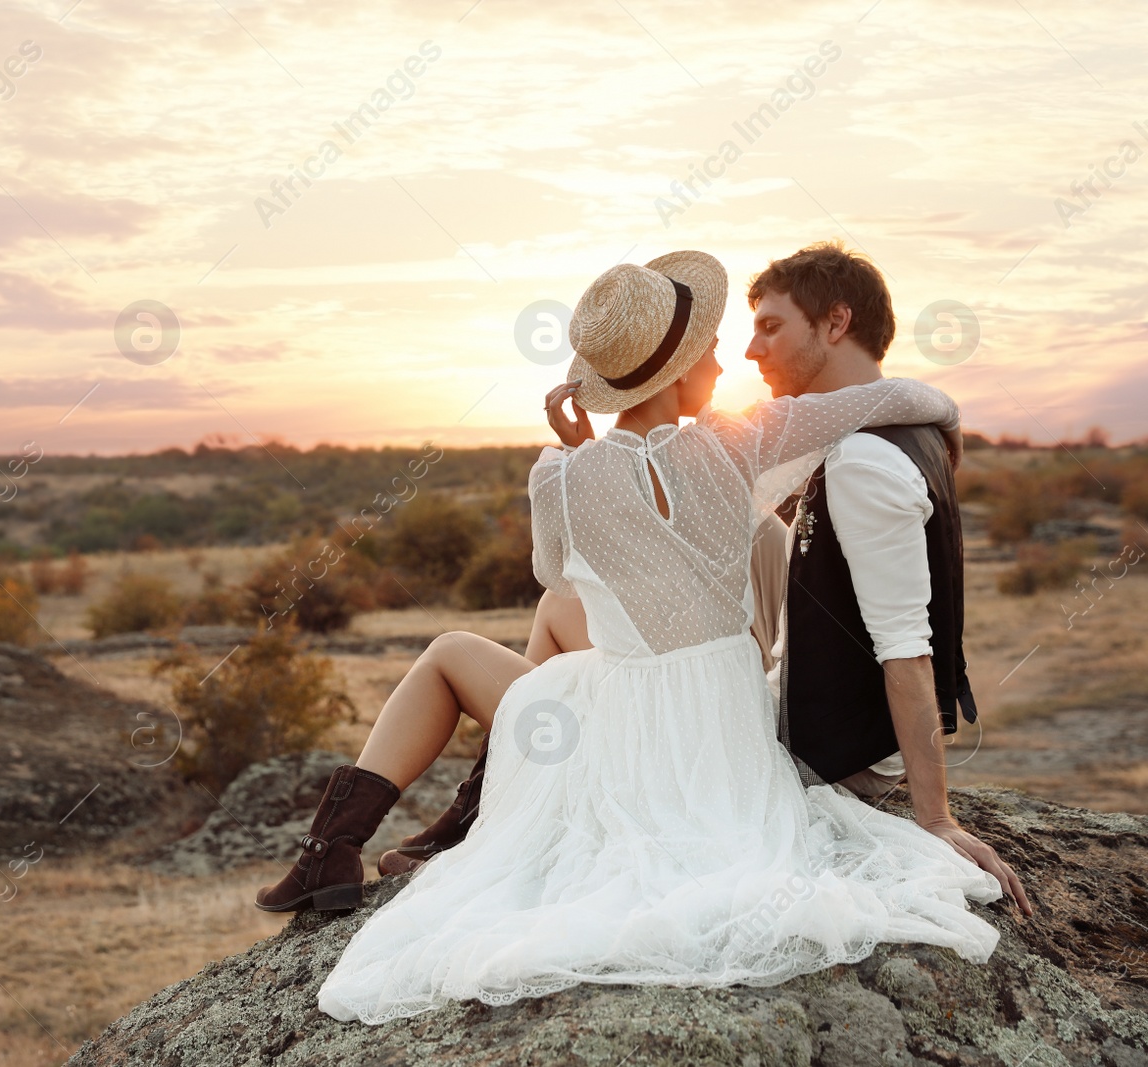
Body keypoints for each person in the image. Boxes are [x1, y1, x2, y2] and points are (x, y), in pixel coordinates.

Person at [250, 249, 1013, 1024]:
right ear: (679, 373)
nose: (724, 357)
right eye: (707, 349)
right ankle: (457, 815)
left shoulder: (558, 477)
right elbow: (890, 396)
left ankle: (347, 844)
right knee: (549, 649)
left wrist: (583, 459)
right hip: (723, 721)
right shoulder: (741, 440)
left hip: (631, 711)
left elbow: (557, 569)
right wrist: (946, 419)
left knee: (474, 647)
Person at [386, 243, 1029, 914]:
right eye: (723, 343)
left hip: (819, 734)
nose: (745, 353)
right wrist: (948, 415)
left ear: (835, 323)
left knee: (553, 632)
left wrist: (936, 821)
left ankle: (489, 808)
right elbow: (886, 401)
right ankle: (488, 805)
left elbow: (907, 650)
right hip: (761, 689)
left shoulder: (852, 460)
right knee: (578, 623)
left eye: (771, 327)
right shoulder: (777, 439)